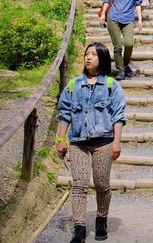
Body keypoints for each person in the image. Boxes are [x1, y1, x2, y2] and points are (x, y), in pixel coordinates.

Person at [55, 43, 127, 243]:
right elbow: (64, 114)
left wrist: (117, 143)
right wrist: (61, 140)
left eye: (94, 55)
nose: (88, 58)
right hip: (78, 142)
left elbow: (118, 116)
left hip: (104, 142)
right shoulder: (73, 85)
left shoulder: (112, 85)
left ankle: (101, 218)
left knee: (102, 184)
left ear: (102, 59)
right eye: (87, 54)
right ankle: (79, 228)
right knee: (79, 184)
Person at [98, 0, 144, 79]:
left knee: (129, 44)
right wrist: (103, 13)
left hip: (128, 18)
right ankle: (120, 70)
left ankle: (125, 64)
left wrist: (139, 18)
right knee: (117, 45)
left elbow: (138, 3)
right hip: (113, 17)